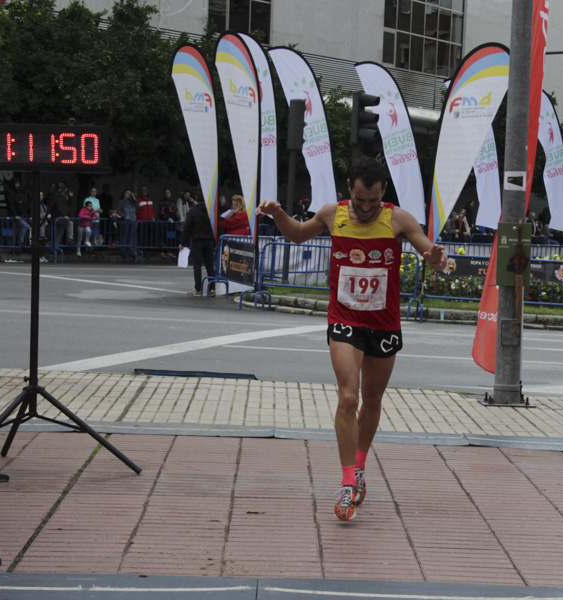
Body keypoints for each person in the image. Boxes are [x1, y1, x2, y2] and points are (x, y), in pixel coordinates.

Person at [258, 157, 447, 521]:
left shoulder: (398, 219)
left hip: (384, 323)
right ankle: (347, 482)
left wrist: (436, 258)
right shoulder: (333, 214)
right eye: (359, 200)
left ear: (383, 194)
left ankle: (360, 466)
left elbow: (429, 252)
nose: (364, 208)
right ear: (349, 189)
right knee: (349, 397)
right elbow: (298, 234)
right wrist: (278, 213)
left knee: (372, 400)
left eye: (372, 202)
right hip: (344, 318)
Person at [180, 194, 216, 295]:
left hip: (197, 240)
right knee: (210, 265)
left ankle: (198, 288)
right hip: (209, 240)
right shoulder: (211, 211)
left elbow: (187, 228)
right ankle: (212, 288)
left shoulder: (193, 211)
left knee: (197, 266)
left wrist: (183, 242)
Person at [4, 178, 33, 248]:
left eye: (18, 184)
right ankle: (16, 245)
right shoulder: (10, 194)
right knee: (14, 232)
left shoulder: (19, 193)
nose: (17, 185)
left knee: (17, 230)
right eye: (16, 184)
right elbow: (11, 205)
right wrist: (15, 214)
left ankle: (18, 243)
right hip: (14, 216)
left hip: (19, 215)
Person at [116, 189, 139, 262]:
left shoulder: (132, 202)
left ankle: (130, 251)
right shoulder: (121, 202)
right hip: (124, 221)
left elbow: (138, 207)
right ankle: (123, 251)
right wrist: (123, 216)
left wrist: (134, 198)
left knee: (130, 237)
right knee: (124, 237)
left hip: (132, 221)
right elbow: (118, 210)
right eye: (127, 193)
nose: (128, 195)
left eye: (129, 193)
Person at [158, 188, 181, 256]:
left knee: (171, 236)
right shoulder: (162, 202)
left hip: (172, 223)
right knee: (164, 236)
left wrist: (178, 218)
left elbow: (176, 211)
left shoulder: (173, 202)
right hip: (165, 222)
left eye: (169, 193)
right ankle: (163, 250)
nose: (168, 194)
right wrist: (167, 218)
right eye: (166, 193)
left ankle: (169, 250)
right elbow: (161, 212)